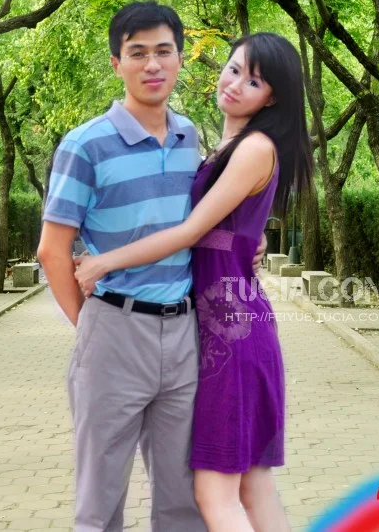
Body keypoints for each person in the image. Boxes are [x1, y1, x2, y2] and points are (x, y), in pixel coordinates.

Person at [37, 0, 265, 532]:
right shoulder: (85, 145)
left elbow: (198, 225)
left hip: (185, 335)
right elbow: (52, 250)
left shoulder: (190, 138)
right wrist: (93, 326)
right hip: (115, 332)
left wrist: (243, 247)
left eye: (164, 51)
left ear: (181, 58)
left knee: (184, 499)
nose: (152, 64)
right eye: (137, 53)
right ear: (117, 63)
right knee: (100, 502)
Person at [74, 31, 313, 531]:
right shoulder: (224, 146)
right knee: (253, 487)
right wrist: (245, 241)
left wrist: (102, 263)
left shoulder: (254, 148)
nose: (235, 84)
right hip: (224, 323)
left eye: (254, 81)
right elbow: (222, 226)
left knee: (213, 492)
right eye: (233, 69)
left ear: (272, 98)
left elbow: (189, 231)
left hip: (232, 335)